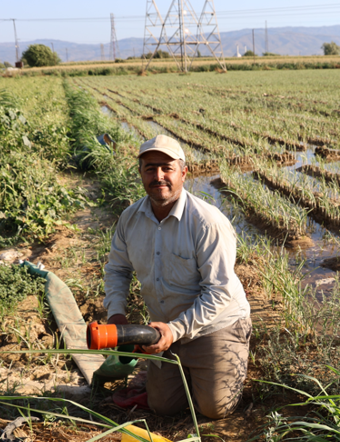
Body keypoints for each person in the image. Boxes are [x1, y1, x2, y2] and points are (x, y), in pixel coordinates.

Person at [103, 135, 251, 419]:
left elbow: (218, 292)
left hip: (215, 325)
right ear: (140, 174)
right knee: (163, 407)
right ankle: (181, 373)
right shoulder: (130, 218)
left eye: (166, 168)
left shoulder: (207, 222)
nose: (158, 176)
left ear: (183, 173)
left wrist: (176, 330)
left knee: (214, 409)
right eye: (149, 168)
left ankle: (230, 356)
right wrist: (116, 314)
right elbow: (117, 269)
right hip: (165, 326)